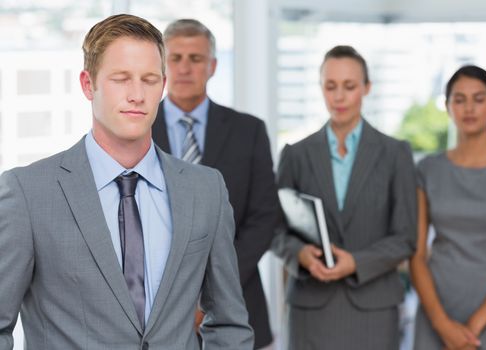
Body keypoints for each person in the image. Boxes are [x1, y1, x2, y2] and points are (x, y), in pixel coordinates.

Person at [0, 14, 253, 350]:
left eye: (149, 80)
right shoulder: (27, 193)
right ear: (88, 84)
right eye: (121, 79)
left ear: (162, 85)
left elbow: (229, 322)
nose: (137, 95)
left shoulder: (206, 189)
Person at [271, 45, 417, 350]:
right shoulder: (295, 155)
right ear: (320, 88)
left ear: (367, 88)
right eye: (330, 86)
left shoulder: (395, 154)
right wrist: (300, 254)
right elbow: (275, 229)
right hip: (311, 308)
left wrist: (357, 262)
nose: (339, 97)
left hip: (374, 310)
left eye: (349, 86)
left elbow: (406, 237)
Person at [152, 19, 280, 349]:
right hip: (153, 311)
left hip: (236, 304)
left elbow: (263, 218)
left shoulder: (248, 131)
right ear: (162, 65)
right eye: (175, 58)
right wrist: (180, 301)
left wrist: (214, 290)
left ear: (212, 66)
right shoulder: (137, 132)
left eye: (195, 59)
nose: (184, 68)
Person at [410, 65, 486, 350]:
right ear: (448, 107)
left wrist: (471, 329)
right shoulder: (427, 170)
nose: (469, 108)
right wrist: (442, 325)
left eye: (478, 98)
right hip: (436, 307)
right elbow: (416, 253)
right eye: (459, 100)